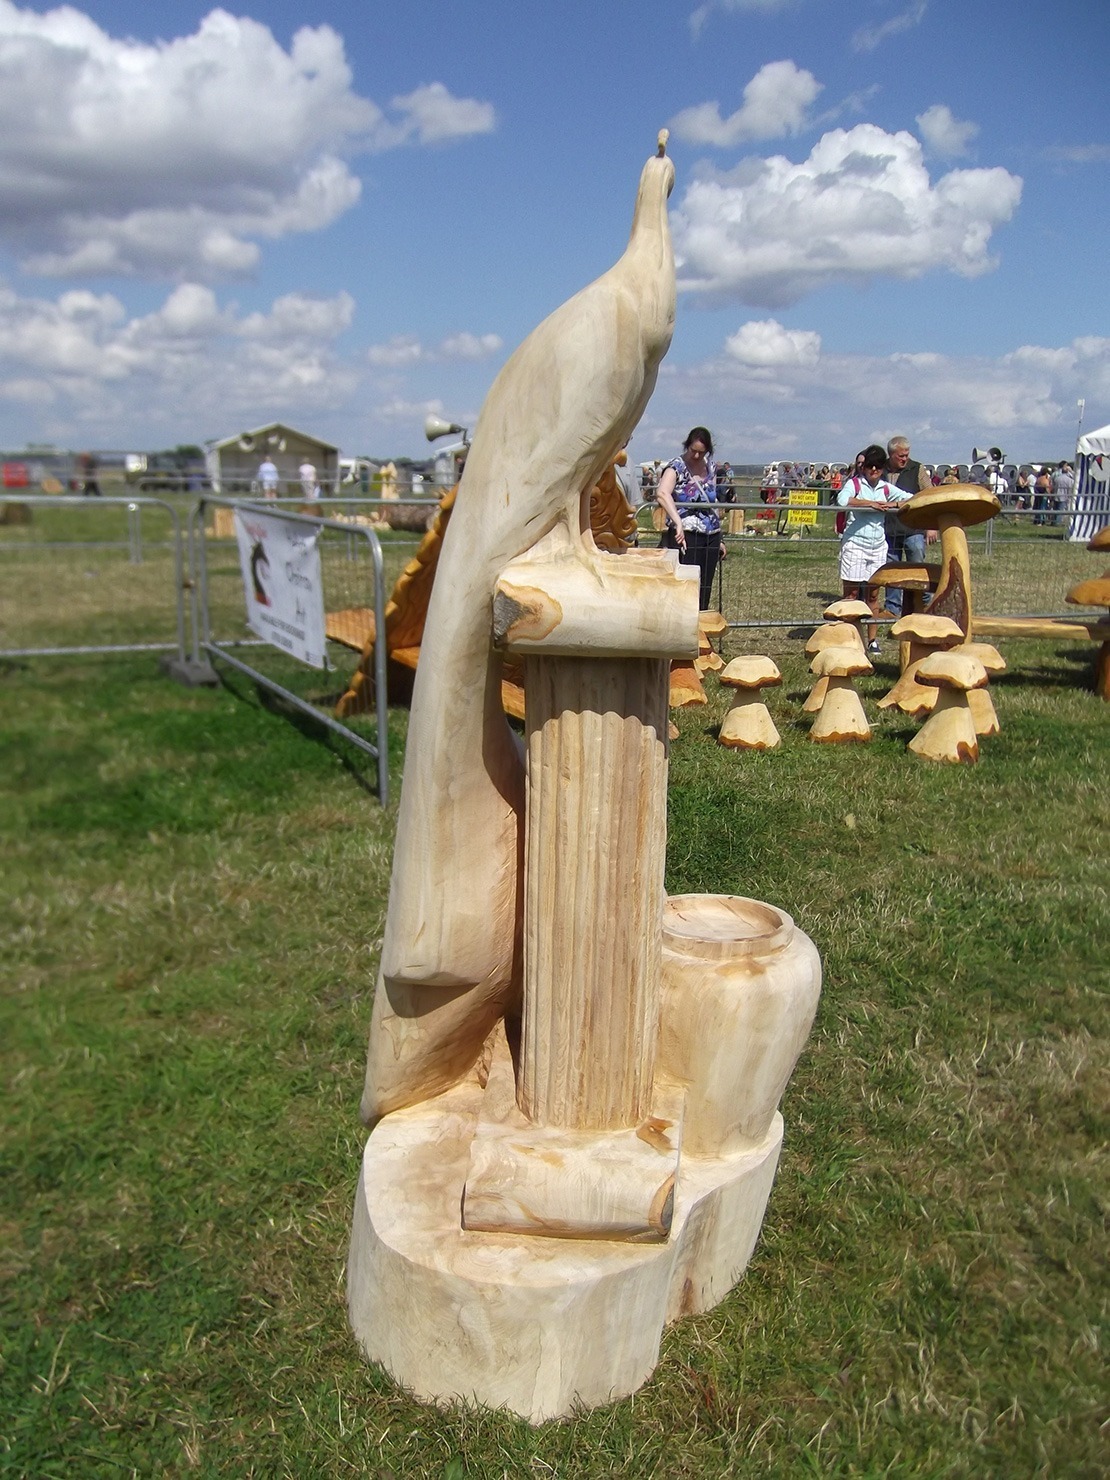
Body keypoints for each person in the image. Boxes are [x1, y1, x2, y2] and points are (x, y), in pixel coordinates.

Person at [837, 443, 911, 652]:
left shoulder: (886, 488)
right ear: (864, 467)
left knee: (872, 596)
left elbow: (910, 498)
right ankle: (848, 638)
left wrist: (892, 505)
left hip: (877, 546)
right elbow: (843, 501)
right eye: (870, 466)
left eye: (878, 467)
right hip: (855, 544)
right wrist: (869, 504)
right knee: (851, 595)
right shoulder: (855, 484)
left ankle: (871, 641)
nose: (874, 471)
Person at [655, 426, 723, 608]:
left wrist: (720, 537)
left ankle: (700, 624)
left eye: (701, 453)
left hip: (711, 534)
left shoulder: (710, 467)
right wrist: (677, 521)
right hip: (686, 534)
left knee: (705, 585)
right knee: (686, 584)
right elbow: (662, 493)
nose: (696, 456)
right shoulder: (676, 467)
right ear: (687, 446)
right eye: (693, 451)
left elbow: (712, 501)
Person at [882, 436, 935, 617]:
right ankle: (892, 608)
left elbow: (930, 496)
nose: (905, 459)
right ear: (891, 455)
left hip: (914, 530)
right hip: (889, 530)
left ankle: (924, 604)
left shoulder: (917, 469)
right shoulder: (880, 470)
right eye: (901, 456)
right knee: (892, 569)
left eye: (906, 455)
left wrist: (931, 525)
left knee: (918, 567)